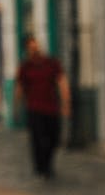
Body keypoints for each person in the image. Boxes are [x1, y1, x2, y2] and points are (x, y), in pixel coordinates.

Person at [15, 35, 71, 179]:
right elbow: (19, 87)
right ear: (27, 49)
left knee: (54, 138)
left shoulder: (52, 63)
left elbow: (62, 82)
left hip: (51, 107)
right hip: (34, 108)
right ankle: (42, 167)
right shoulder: (25, 66)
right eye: (31, 47)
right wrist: (16, 106)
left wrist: (66, 102)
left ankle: (47, 163)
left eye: (36, 45)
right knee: (38, 139)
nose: (34, 49)